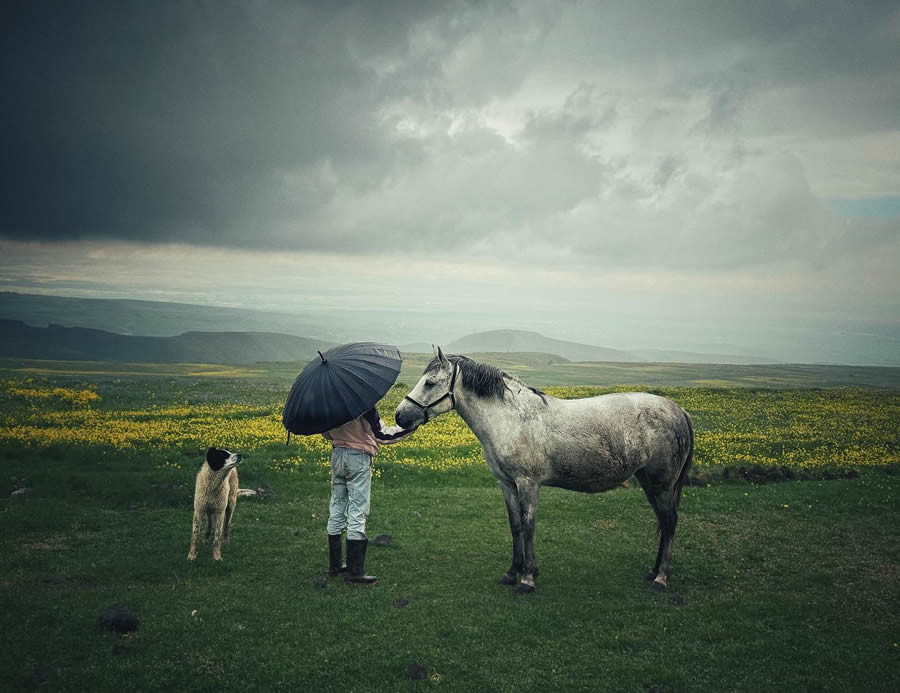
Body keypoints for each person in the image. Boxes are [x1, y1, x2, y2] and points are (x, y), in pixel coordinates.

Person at [323, 407, 416, 585]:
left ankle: (335, 565)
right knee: (358, 510)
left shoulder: (326, 403)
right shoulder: (362, 403)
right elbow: (383, 435)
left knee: (336, 508)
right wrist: (411, 427)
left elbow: (326, 434)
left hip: (337, 455)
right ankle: (355, 572)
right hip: (358, 458)